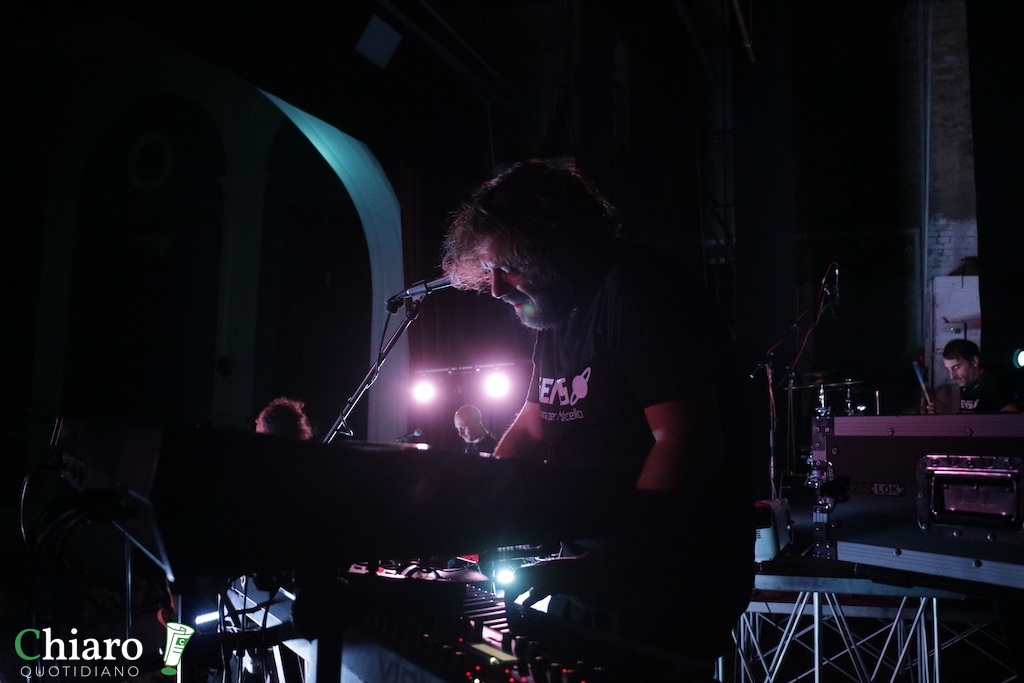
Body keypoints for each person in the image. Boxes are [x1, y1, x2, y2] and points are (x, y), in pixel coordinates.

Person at [440, 160, 754, 679]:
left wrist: (612, 561)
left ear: (555, 248)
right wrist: (475, 516)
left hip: (665, 577)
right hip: (592, 572)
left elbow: (686, 440)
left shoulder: (641, 289)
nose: (494, 288)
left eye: (508, 267)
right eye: (488, 269)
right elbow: (533, 426)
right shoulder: (558, 312)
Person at [928, 339, 1020, 414]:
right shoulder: (967, 382)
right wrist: (940, 416)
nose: (952, 376)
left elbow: (1012, 417)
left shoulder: (992, 381)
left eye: (956, 367)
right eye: (948, 370)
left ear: (974, 361)